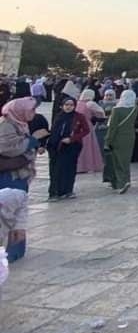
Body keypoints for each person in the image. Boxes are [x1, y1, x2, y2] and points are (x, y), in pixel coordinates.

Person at [0, 97, 48, 261]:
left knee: (18, 210)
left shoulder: (19, 122)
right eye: (32, 110)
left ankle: (16, 248)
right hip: (10, 174)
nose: (34, 113)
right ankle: (9, 250)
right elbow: (7, 149)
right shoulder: (6, 124)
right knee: (9, 210)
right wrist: (32, 140)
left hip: (20, 173)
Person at [47, 96, 91, 201]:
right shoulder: (59, 116)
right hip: (57, 146)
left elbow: (86, 130)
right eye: (66, 105)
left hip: (72, 147)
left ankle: (67, 190)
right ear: (62, 106)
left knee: (69, 169)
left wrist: (72, 139)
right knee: (56, 169)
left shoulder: (79, 117)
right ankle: (54, 192)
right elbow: (54, 131)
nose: (68, 107)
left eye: (71, 105)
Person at [103, 89, 137, 194]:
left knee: (117, 161)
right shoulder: (135, 108)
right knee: (126, 159)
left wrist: (108, 140)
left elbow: (113, 127)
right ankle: (127, 179)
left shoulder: (116, 110)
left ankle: (121, 183)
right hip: (130, 137)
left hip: (118, 138)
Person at [75, 89, 106, 174]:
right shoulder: (90, 103)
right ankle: (88, 165)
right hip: (86, 126)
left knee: (79, 146)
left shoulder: (77, 103)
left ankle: (79, 166)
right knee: (88, 146)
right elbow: (101, 113)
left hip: (77, 127)